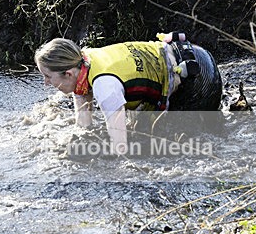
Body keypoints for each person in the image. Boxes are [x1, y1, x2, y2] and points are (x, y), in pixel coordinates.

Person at [35, 33, 222, 155]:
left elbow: (121, 148)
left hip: (200, 78)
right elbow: (83, 126)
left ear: (67, 74)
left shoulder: (104, 86)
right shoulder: (82, 61)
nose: (46, 83)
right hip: (189, 54)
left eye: (47, 77)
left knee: (178, 145)